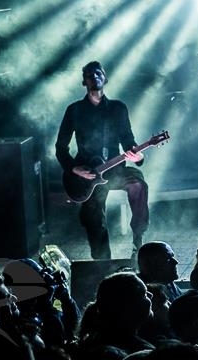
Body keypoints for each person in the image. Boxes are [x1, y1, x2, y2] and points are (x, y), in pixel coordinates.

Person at [56, 60, 148, 259]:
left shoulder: (118, 108)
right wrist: (74, 169)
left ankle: (138, 241)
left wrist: (138, 155)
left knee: (138, 183)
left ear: (105, 78)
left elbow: (128, 141)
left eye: (98, 73)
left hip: (115, 170)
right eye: (90, 75)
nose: (95, 77)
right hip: (88, 176)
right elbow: (60, 148)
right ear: (84, 82)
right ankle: (102, 264)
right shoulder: (74, 110)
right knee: (94, 217)